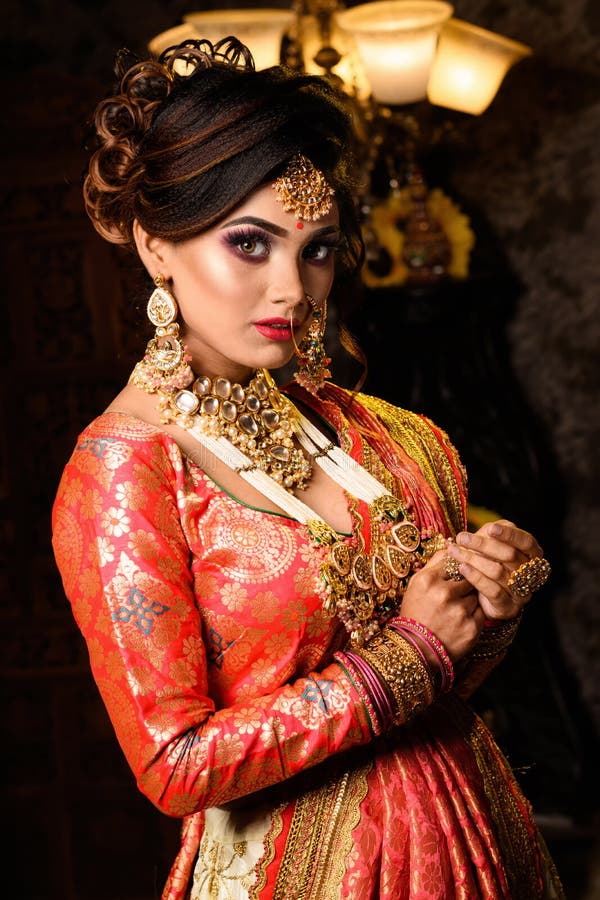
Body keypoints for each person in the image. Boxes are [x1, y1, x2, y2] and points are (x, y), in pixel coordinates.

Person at [52, 37, 563, 899]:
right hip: (299, 871)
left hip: (473, 838)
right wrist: (403, 658)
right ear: (155, 246)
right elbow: (175, 766)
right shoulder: (127, 474)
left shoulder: (389, 437)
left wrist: (487, 605)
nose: (292, 288)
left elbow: (444, 675)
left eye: (317, 248)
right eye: (250, 244)